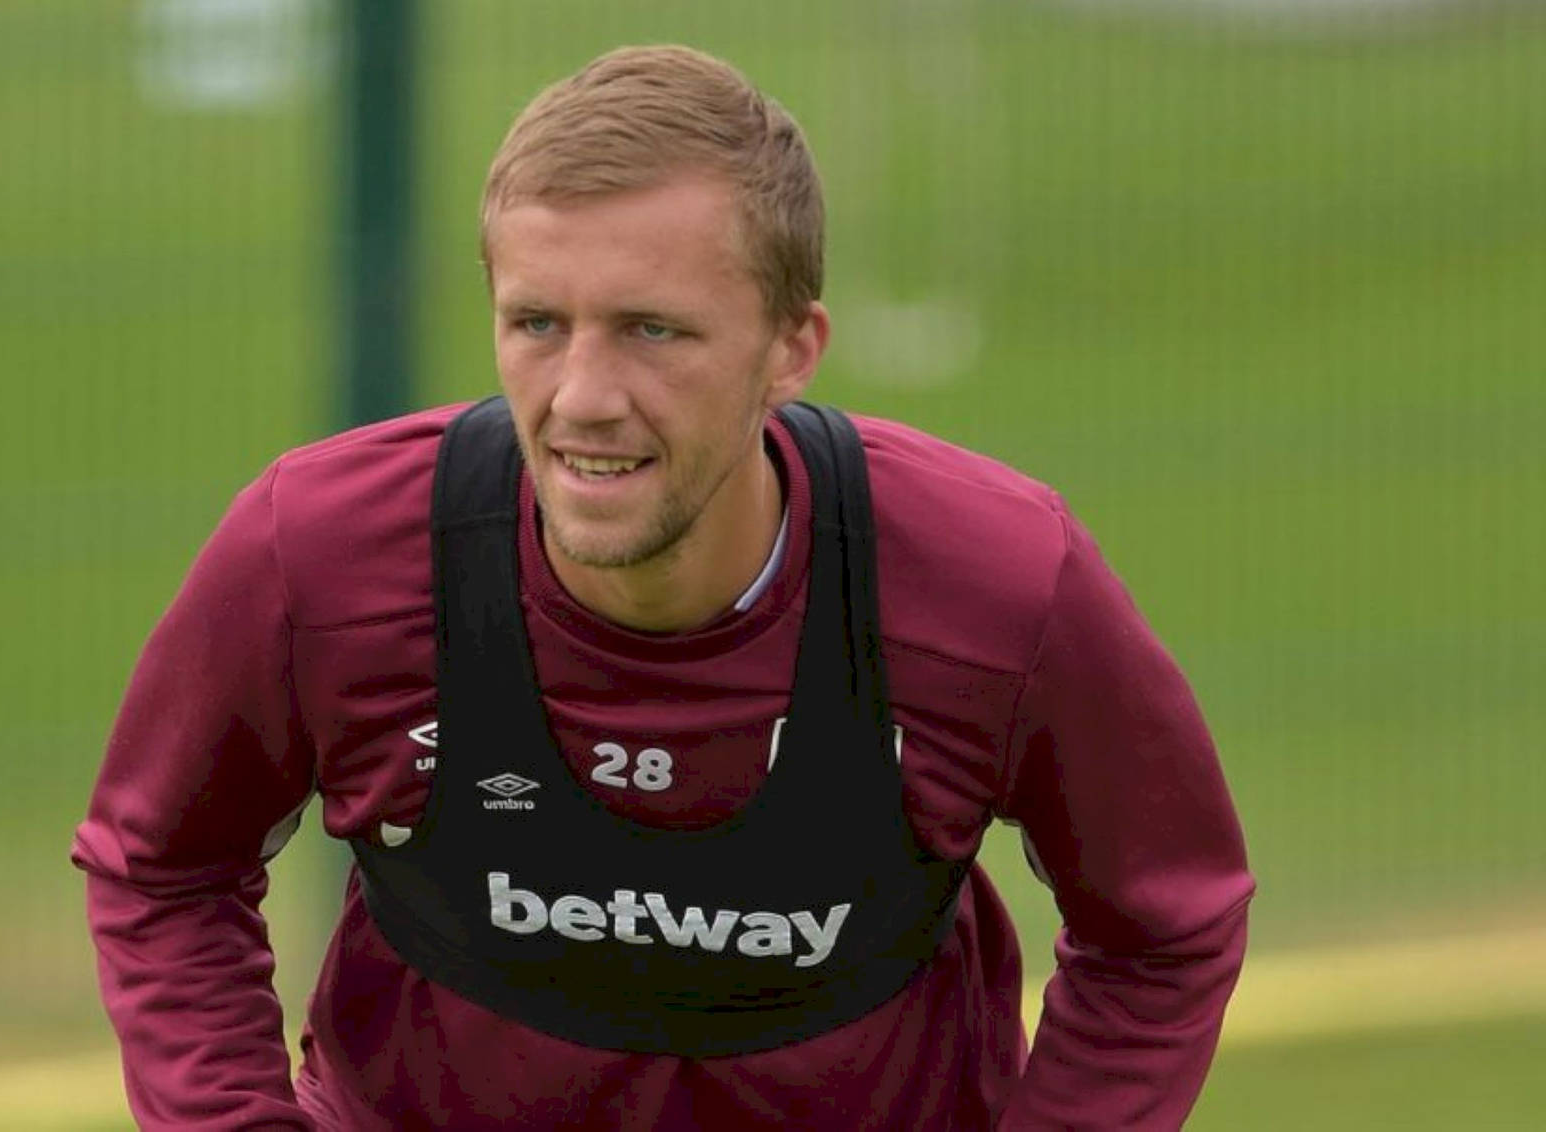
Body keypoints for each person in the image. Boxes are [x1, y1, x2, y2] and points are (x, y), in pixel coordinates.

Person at [72, 44, 1253, 1131]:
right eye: (537, 320)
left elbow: (1165, 922)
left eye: (652, 330)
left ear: (792, 346)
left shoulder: (996, 581)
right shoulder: (320, 552)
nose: (582, 395)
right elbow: (162, 862)